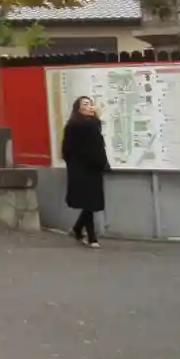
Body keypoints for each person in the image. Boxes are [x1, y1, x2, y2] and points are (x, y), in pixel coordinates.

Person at [61, 96, 110, 248]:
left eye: (90, 104)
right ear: (78, 108)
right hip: (81, 168)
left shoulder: (93, 124)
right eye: (85, 104)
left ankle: (77, 228)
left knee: (90, 202)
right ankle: (91, 237)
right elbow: (68, 149)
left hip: (93, 167)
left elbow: (98, 146)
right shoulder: (76, 125)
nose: (89, 106)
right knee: (88, 201)